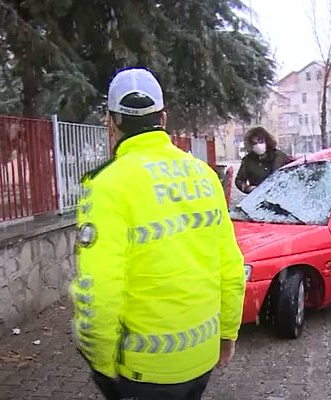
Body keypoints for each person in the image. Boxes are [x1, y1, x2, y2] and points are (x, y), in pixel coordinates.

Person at [70, 67, 246, 400]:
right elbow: (231, 267)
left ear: (112, 122)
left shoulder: (107, 185)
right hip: (202, 358)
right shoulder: (205, 176)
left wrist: (103, 363)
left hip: (142, 372)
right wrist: (227, 333)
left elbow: (99, 291)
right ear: (162, 118)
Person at [235, 126, 292, 193]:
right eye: (254, 143)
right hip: (258, 197)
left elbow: (292, 172)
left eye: (260, 141)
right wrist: (248, 188)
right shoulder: (248, 160)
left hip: (279, 195)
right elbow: (239, 180)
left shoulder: (279, 155)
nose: (258, 145)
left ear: (267, 141)